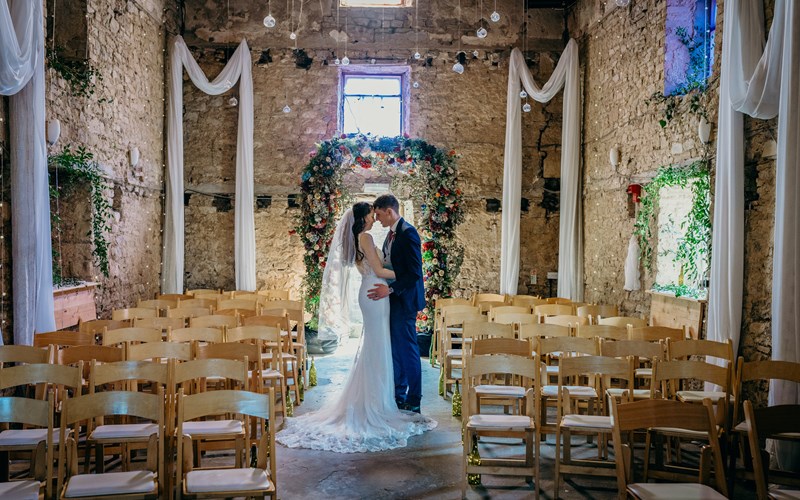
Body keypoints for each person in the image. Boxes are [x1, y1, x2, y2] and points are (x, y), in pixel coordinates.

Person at [275, 202, 436, 453]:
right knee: (380, 345)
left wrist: (400, 280)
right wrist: (399, 279)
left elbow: (401, 270)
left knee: (386, 346)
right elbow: (383, 269)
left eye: (378, 212)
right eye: (373, 213)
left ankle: (394, 397)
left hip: (380, 293)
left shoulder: (376, 236)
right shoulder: (367, 237)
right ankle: (383, 399)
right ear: (364, 217)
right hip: (376, 293)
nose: (376, 216)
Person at [367, 194, 425, 413]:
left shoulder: (408, 233)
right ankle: (398, 393)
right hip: (394, 300)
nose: (378, 219)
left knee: (408, 349)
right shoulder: (391, 234)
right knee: (396, 349)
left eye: (380, 215)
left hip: (405, 299)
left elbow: (414, 273)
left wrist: (389, 289)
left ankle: (414, 398)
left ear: (389, 211)